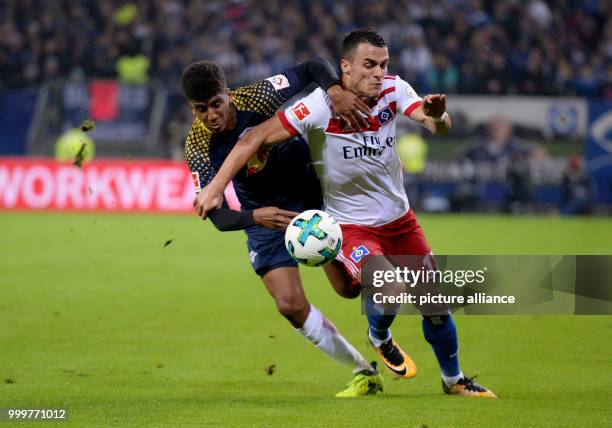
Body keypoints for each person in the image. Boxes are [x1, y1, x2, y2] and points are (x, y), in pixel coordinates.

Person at [195, 29, 496, 398]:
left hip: (398, 218)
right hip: (347, 223)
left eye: (383, 65)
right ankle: (378, 337)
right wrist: (215, 188)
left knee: (433, 302)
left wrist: (440, 117)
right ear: (347, 67)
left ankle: (454, 380)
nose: (378, 73)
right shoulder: (318, 107)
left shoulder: (395, 89)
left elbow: (434, 125)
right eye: (369, 65)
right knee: (387, 287)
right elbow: (252, 139)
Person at [182, 58, 384, 397]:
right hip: (262, 215)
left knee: (348, 289)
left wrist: (333, 90)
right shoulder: (197, 146)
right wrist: (256, 217)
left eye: (216, 104)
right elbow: (216, 216)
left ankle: (399, 313)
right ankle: (364, 372)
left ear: (227, 94)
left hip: (310, 194)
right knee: (289, 304)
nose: (211, 115)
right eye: (201, 110)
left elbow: (312, 68)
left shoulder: (256, 98)